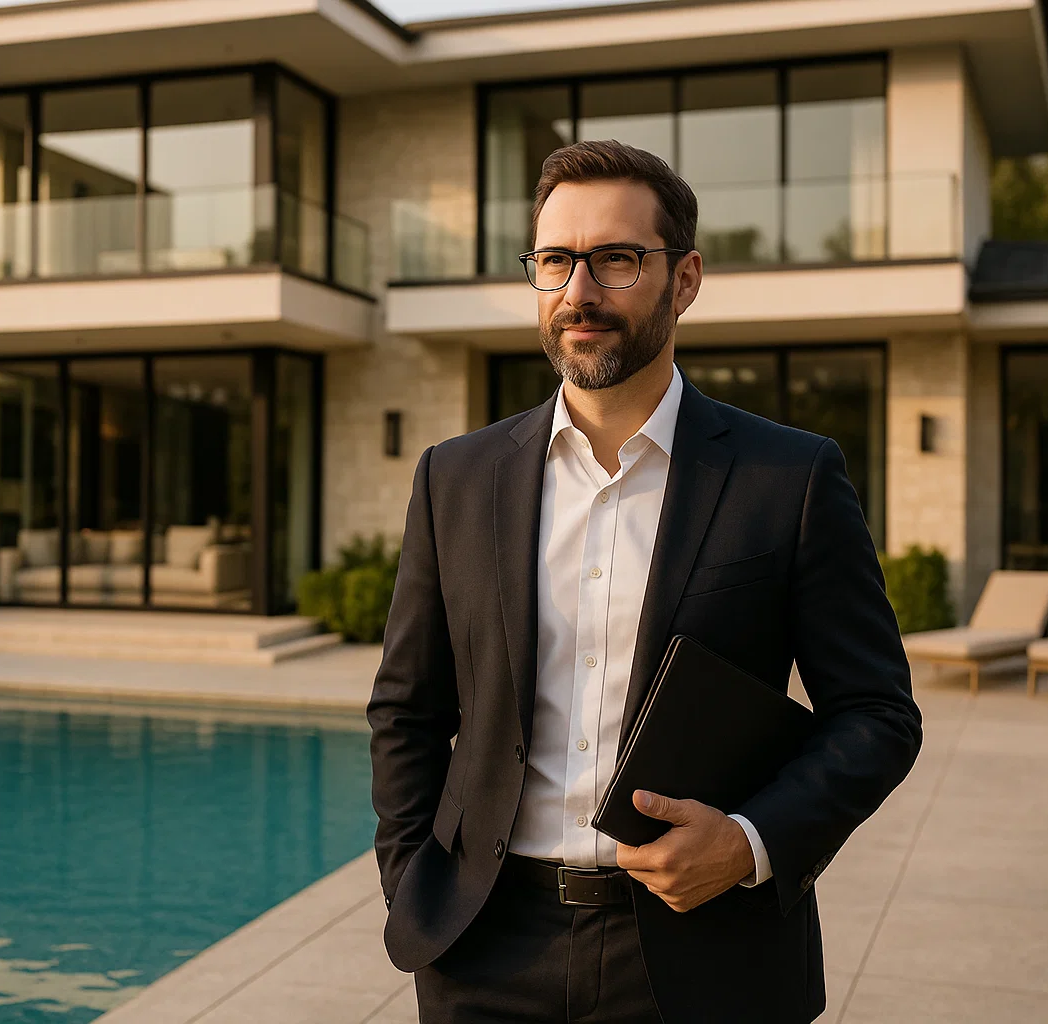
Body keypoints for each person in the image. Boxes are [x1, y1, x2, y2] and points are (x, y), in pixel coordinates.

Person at [366, 139, 922, 1024]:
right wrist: (411, 879)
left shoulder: (791, 478)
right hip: (483, 949)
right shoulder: (454, 479)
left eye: (617, 260)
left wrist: (748, 844)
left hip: (705, 950)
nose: (579, 292)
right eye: (555, 261)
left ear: (685, 278)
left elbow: (879, 717)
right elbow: (407, 709)